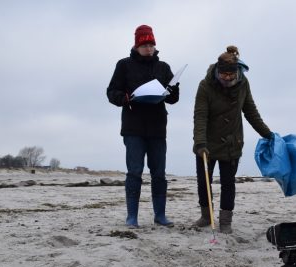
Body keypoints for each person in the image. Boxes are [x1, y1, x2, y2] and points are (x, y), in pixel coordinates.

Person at [192, 45, 273, 234]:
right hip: (207, 142)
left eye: (231, 75)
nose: (227, 78)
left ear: (237, 72)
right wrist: (200, 144)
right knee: (204, 181)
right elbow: (200, 115)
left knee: (228, 182)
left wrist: (267, 134)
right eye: (223, 75)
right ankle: (206, 216)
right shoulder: (205, 85)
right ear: (217, 72)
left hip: (232, 142)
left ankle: (226, 221)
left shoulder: (243, 84)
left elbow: (251, 111)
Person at [106, 25, 179, 228]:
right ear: (137, 45)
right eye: (145, 45)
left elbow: (173, 99)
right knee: (134, 172)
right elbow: (111, 92)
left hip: (157, 128)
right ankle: (132, 217)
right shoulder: (124, 65)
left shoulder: (163, 67)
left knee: (159, 173)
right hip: (133, 127)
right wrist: (124, 97)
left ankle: (160, 215)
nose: (149, 48)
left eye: (151, 45)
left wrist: (173, 91)